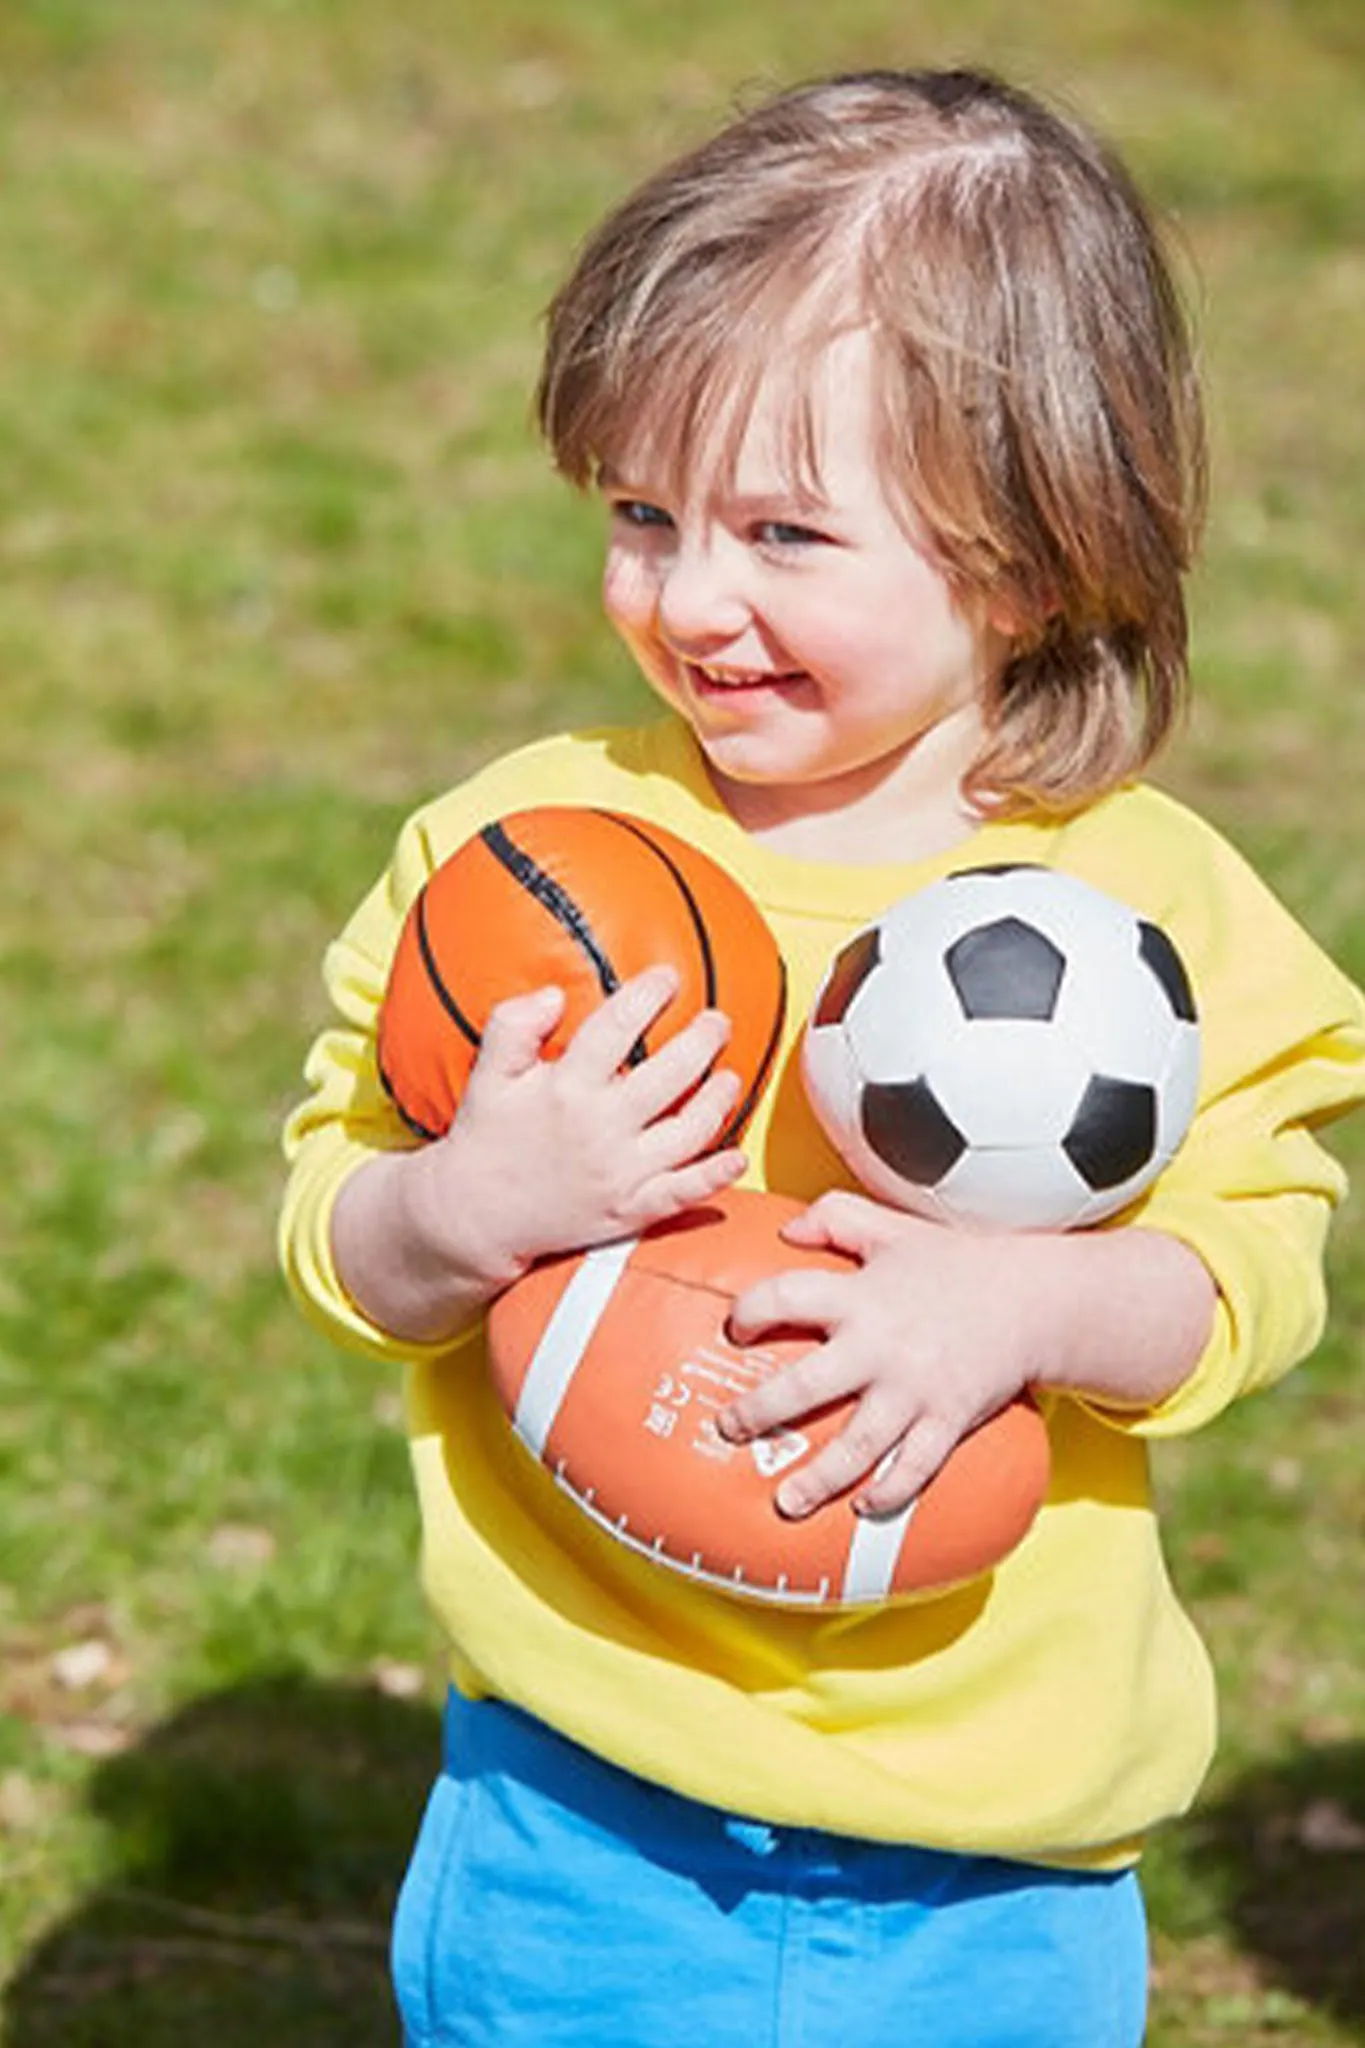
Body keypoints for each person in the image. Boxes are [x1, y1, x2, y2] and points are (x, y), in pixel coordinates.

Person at [279, 67, 1365, 2048]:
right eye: (639, 512)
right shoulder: (514, 869)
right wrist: (457, 1203)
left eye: (785, 532)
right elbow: (335, 1237)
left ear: (1035, 550)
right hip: (578, 1833)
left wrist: (1026, 1301)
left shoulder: (1154, 921)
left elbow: (1254, 1267)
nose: (689, 600)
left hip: (1000, 1863)